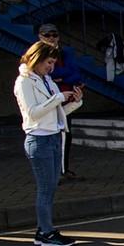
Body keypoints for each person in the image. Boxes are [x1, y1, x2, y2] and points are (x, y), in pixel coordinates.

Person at [13, 40, 83, 246]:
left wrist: (75, 102)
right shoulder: (24, 81)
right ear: (37, 59)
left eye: (53, 63)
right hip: (39, 139)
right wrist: (58, 98)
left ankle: (44, 229)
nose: (51, 67)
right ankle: (46, 232)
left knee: (51, 187)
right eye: (49, 62)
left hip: (53, 137)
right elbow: (33, 113)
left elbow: (57, 114)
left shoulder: (47, 80)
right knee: (45, 188)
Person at [37, 23, 85, 181]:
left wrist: (61, 78)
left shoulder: (65, 53)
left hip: (65, 99)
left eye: (54, 35)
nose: (51, 38)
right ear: (40, 36)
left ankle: (63, 169)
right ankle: (53, 172)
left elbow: (76, 74)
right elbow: (46, 75)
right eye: (47, 35)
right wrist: (60, 75)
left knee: (66, 134)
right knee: (49, 138)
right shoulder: (37, 54)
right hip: (47, 101)